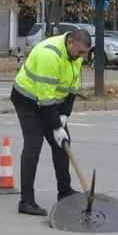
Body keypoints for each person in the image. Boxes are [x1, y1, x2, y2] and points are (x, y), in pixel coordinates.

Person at [10, 29, 91, 216]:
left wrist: (64, 115)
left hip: (50, 103)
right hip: (27, 100)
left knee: (62, 145)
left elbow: (72, 87)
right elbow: (45, 96)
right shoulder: (50, 54)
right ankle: (26, 201)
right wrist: (55, 127)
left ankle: (65, 192)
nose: (83, 57)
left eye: (85, 53)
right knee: (33, 146)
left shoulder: (76, 56)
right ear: (70, 42)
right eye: (80, 52)